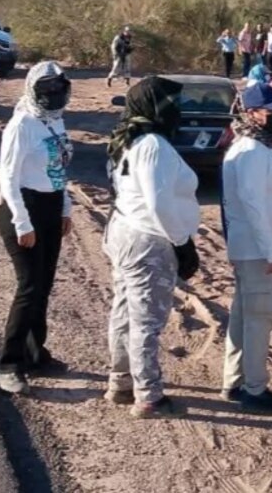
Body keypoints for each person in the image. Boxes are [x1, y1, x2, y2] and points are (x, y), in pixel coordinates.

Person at [104, 76, 201, 419]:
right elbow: (159, 203)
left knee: (124, 311)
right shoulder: (153, 145)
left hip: (126, 232)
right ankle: (148, 395)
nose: (179, 109)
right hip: (148, 240)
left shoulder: (131, 139)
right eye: (173, 103)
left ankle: (121, 381)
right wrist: (183, 243)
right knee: (146, 319)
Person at [0, 61, 75, 394]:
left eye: (58, 88)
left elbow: (59, 169)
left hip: (51, 206)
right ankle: (8, 366)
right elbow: (7, 177)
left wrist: (65, 208)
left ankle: (34, 353)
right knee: (29, 287)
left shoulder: (55, 121)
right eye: (47, 89)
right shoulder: (21, 124)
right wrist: (22, 222)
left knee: (44, 285)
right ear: (33, 89)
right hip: (22, 207)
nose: (53, 94)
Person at [220, 83, 272, 412]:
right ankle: (254, 389)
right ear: (252, 113)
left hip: (254, 248)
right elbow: (254, 205)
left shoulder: (254, 147)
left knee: (244, 315)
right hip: (258, 250)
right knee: (258, 319)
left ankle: (235, 380)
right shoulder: (251, 151)